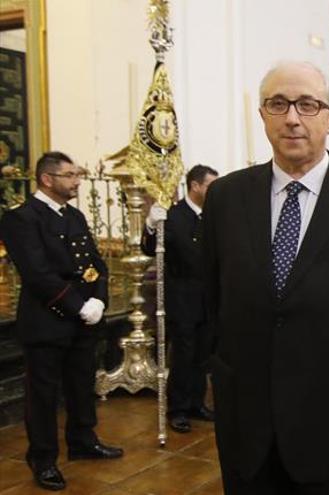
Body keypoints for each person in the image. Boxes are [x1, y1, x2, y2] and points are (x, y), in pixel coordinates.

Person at [201, 61, 329, 494]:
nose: (292, 117)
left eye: (308, 105)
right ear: (262, 115)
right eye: (278, 104)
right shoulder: (225, 197)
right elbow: (210, 298)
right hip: (246, 423)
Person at [0, 151, 123, 491]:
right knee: (43, 395)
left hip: (83, 318)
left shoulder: (75, 216)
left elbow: (96, 262)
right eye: (70, 175)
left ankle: (83, 441)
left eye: (78, 174)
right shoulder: (22, 218)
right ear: (47, 179)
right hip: (47, 320)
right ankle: (43, 458)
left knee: (81, 385)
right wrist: (77, 305)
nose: (78, 180)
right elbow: (37, 274)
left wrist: (99, 298)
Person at [142, 164, 218, 434]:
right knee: (183, 355)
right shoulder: (173, 216)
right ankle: (178, 409)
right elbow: (151, 248)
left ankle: (197, 403)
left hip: (208, 298)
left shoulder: (214, 215)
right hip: (182, 299)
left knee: (202, 355)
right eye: (211, 184)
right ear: (195, 186)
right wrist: (151, 226)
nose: (215, 189)